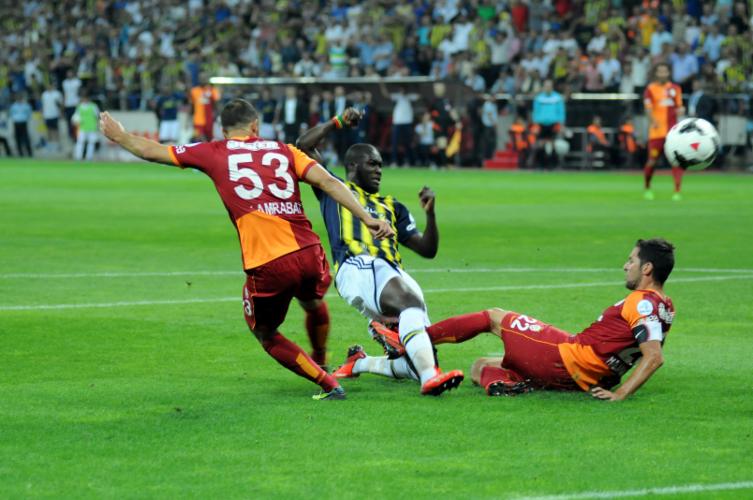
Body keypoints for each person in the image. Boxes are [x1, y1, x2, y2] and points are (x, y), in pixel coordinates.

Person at [98, 98, 394, 400]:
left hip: (269, 260)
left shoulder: (214, 151)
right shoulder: (284, 150)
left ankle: (327, 382)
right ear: (255, 126)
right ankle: (321, 358)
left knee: (265, 332)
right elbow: (328, 182)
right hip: (310, 252)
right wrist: (367, 218)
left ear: (223, 130)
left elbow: (152, 151)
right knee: (312, 301)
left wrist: (119, 135)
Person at [339, 238, 676, 402]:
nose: (625, 266)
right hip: (585, 377)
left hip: (569, 357)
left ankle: (416, 338)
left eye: (632, 261)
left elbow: (654, 357)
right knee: (479, 366)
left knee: (494, 317)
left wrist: (621, 395)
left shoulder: (642, 303)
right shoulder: (665, 306)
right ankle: (504, 384)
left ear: (647, 268)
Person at [296, 107, 465, 396]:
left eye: (381, 165)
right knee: (410, 303)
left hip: (392, 272)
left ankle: (360, 363)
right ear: (353, 166)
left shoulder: (393, 205)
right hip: (357, 266)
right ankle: (430, 378)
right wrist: (338, 122)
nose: (379, 170)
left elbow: (427, 249)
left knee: (417, 355)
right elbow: (303, 146)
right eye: (372, 164)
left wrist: (431, 214)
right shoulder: (333, 188)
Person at [643, 62, 685, 201]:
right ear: (656, 73)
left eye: (664, 71)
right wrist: (653, 121)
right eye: (660, 71)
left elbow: (679, 106)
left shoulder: (675, 88)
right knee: (652, 161)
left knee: (676, 162)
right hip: (656, 133)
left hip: (672, 134)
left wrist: (681, 110)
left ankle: (677, 191)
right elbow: (648, 109)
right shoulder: (650, 89)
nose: (662, 74)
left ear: (668, 73)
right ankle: (647, 188)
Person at [531, 79, 565, 168]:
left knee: (553, 144)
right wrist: (535, 124)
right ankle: (540, 164)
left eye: (549, 86)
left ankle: (553, 164)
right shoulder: (539, 98)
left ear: (552, 87)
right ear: (544, 87)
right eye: (546, 86)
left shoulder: (557, 98)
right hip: (541, 124)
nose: (548, 88)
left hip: (554, 124)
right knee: (540, 144)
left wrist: (561, 124)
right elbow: (535, 112)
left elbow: (561, 112)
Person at [189, 73, 220, 141]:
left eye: (205, 78)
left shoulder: (213, 90)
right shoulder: (194, 91)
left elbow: (216, 105)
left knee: (209, 140)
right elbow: (192, 106)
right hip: (198, 120)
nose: (203, 80)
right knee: (199, 139)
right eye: (201, 78)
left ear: (208, 79)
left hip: (209, 120)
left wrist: (217, 116)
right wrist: (189, 119)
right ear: (199, 79)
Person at [72, 92, 100, 161]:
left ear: (88, 99)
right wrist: (76, 123)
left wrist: (98, 125)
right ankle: (78, 157)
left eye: (86, 98)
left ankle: (89, 157)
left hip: (92, 127)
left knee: (91, 143)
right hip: (82, 127)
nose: (84, 99)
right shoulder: (79, 106)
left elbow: (97, 116)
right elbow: (75, 117)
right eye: (83, 98)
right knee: (80, 142)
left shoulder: (93, 106)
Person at [41, 83, 64, 151]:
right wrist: (42, 114)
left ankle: (58, 145)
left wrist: (61, 112)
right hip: (47, 115)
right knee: (49, 131)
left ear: (52, 86)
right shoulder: (44, 94)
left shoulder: (57, 94)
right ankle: (50, 145)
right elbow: (43, 105)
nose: (49, 86)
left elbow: (61, 104)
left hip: (55, 114)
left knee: (56, 130)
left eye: (50, 85)